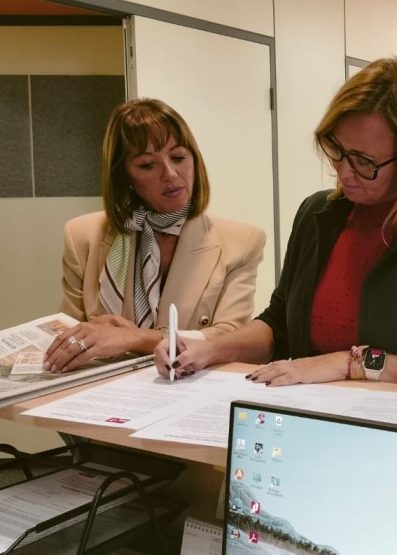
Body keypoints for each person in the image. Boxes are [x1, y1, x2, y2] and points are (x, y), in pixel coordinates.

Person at [154, 57, 397, 394]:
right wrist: (209, 349)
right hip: (317, 416)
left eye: (364, 161)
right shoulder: (319, 215)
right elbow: (279, 324)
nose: (343, 172)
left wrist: (350, 364)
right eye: (337, 151)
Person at [44, 98, 265, 372]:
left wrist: (135, 338)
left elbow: (229, 338)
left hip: (192, 388)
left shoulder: (242, 241)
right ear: (124, 175)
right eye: (148, 165)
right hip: (108, 393)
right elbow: (72, 335)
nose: (171, 174)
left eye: (178, 157)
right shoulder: (82, 235)